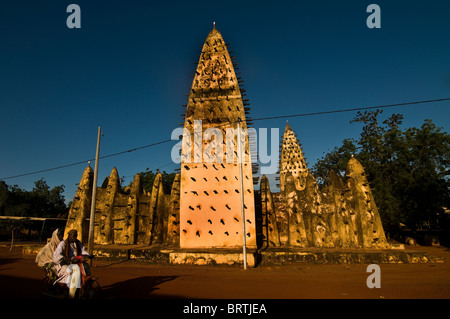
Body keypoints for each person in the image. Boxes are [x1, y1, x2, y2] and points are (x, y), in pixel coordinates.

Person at [53, 229, 91, 298]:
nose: (75, 238)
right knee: (76, 271)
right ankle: (71, 294)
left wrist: (88, 255)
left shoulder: (77, 243)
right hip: (64, 264)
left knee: (86, 266)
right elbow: (56, 255)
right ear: (69, 236)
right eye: (73, 236)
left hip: (75, 262)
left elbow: (83, 250)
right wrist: (64, 258)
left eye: (76, 236)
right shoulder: (63, 243)